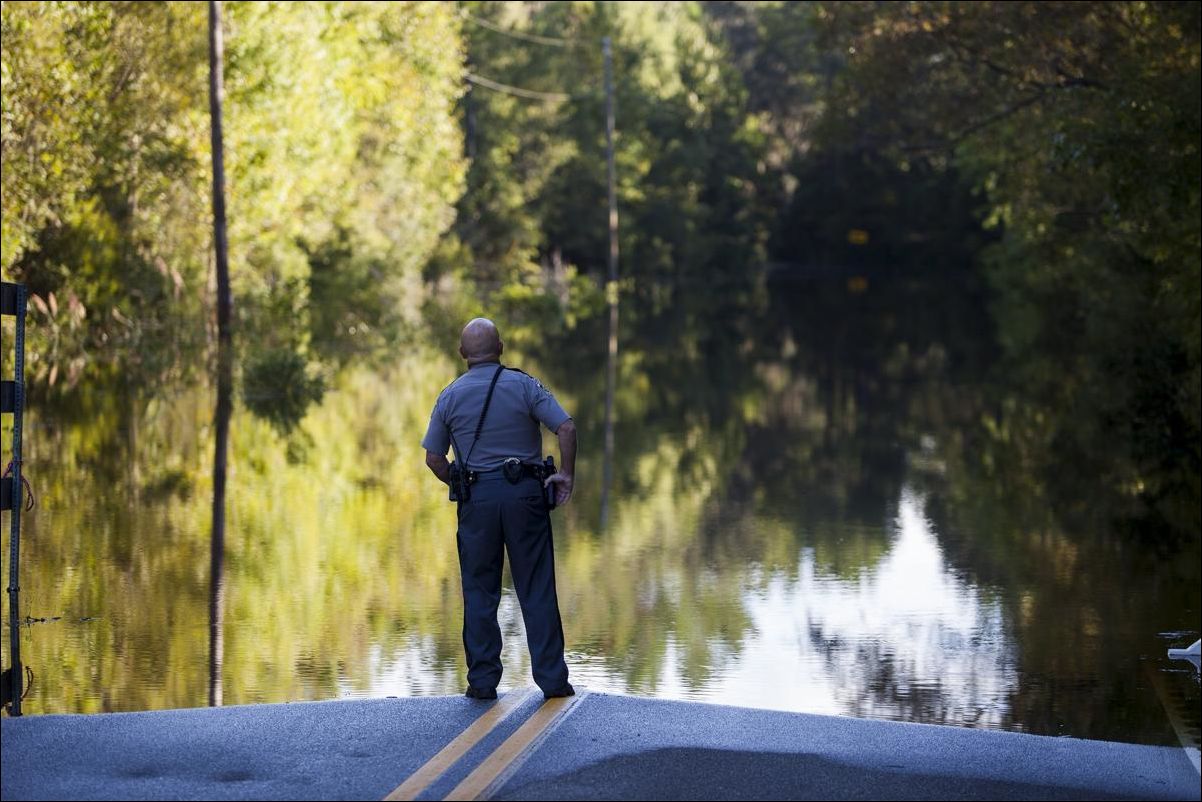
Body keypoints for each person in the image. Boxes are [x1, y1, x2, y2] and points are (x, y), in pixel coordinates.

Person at [422, 318, 577, 700]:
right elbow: (567, 429)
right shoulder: (524, 385)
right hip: (526, 496)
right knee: (536, 587)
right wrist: (567, 476)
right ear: (501, 348)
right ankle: (553, 681)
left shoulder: (450, 396)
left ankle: (483, 681)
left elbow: (433, 458)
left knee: (479, 591)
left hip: (478, 500)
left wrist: (461, 483)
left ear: (462, 354)